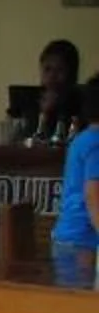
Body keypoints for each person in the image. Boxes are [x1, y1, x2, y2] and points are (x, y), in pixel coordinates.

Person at [56, 77, 99, 287]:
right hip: (82, 243)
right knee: (80, 311)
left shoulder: (83, 138)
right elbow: (94, 197)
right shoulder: (96, 143)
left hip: (72, 239)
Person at [35, 39, 84, 142]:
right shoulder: (33, 100)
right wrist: (43, 112)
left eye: (60, 69)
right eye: (47, 69)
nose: (52, 76)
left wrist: (49, 112)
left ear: (71, 74)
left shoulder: (80, 102)